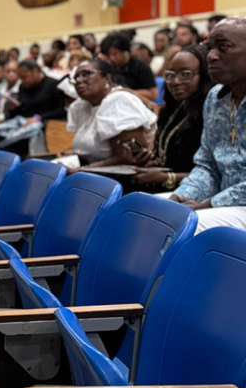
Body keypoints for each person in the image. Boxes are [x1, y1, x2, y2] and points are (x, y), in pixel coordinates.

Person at [171, 18, 246, 231]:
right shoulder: (215, 97)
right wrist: (180, 196)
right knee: (149, 212)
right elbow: (207, 165)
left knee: (185, 226)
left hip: (229, 204)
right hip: (221, 201)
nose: (211, 56)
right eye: (210, 47)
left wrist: (207, 205)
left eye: (223, 47)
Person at [133, 44, 211, 192]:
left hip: (195, 192)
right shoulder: (172, 109)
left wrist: (168, 177)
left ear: (204, 75)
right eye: (170, 75)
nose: (175, 81)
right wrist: (153, 160)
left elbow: (214, 174)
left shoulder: (212, 112)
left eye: (185, 74)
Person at [66, 58, 157, 166]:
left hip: (125, 173)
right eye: (76, 77)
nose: (79, 80)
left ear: (107, 78)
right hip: (93, 170)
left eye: (86, 74)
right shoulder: (81, 106)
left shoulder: (119, 101)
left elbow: (128, 158)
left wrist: (82, 169)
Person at [0, 60, 67, 151]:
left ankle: (0, 148)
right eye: (21, 78)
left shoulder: (53, 85)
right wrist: (13, 109)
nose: (23, 81)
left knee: (27, 131)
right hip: (21, 123)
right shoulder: (23, 86)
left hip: (43, 125)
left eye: (25, 77)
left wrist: (39, 118)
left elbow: (61, 111)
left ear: (36, 72)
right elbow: (23, 111)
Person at [100, 31, 158, 107]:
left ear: (125, 51)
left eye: (115, 54)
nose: (111, 58)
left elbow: (153, 94)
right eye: (108, 55)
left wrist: (125, 92)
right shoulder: (110, 67)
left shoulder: (141, 66)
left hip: (139, 106)